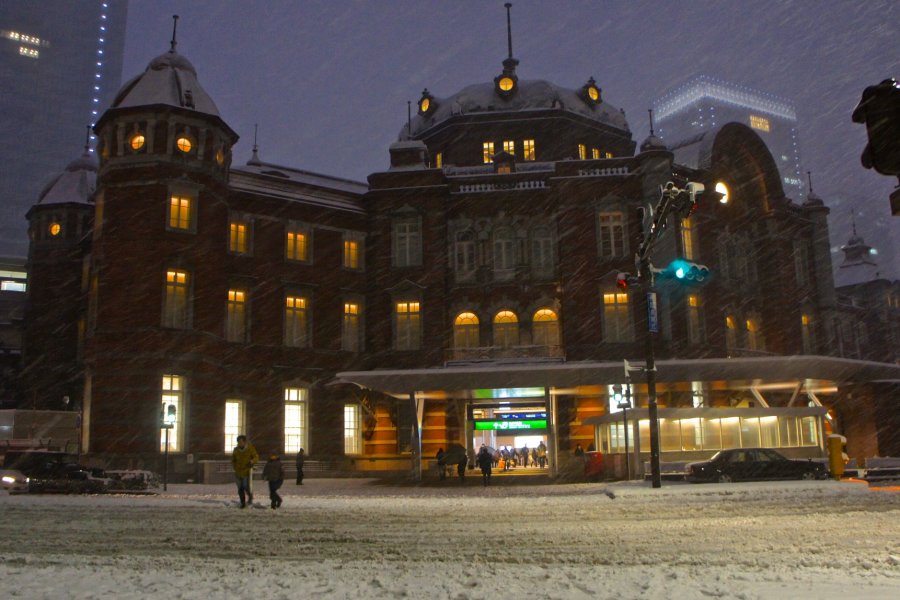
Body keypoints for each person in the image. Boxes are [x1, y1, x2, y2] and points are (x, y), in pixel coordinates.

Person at [232, 434, 259, 508]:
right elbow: (233, 460)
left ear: (245, 442)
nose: (240, 443)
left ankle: (250, 496)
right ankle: (242, 502)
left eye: (241, 441)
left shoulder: (250, 448)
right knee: (240, 488)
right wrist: (235, 467)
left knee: (245, 486)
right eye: (238, 442)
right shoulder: (236, 450)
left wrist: (252, 461)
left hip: (246, 471)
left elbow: (256, 457)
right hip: (238, 472)